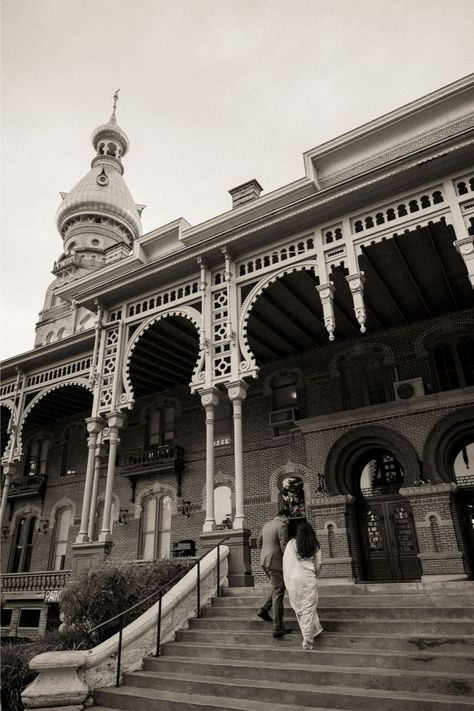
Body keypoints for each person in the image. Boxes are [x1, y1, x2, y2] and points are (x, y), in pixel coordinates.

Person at [283, 521, 322, 650]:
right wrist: (315, 573)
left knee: (300, 607)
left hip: (295, 577)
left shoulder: (292, 544)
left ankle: (310, 632)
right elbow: (319, 564)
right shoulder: (315, 544)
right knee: (309, 607)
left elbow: (288, 562)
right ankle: (307, 638)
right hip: (308, 576)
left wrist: (289, 579)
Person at [256, 508, 292, 638]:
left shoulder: (267, 524)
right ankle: (277, 628)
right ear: (283, 516)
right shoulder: (282, 526)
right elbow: (284, 546)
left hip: (264, 561)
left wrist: (267, 551)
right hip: (275, 561)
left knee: (277, 587)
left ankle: (264, 610)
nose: (288, 522)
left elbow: (258, 542)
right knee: (279, 592)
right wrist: (291, 561)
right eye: (288, 518)